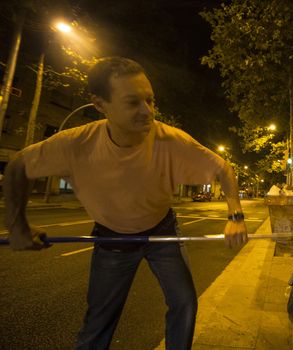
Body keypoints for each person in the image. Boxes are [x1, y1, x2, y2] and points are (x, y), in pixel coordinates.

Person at [3, 57, 248, 350]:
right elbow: (17, 166)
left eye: (150, 100)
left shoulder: (170, 139)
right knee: (99, 323)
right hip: (112, 239)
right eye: (133, 102)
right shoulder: (76, 144)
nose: (148, 112)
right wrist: (17, 226)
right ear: (100, 104)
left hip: (162, 232)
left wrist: (235, 216)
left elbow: (223, 169)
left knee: (184, 303)